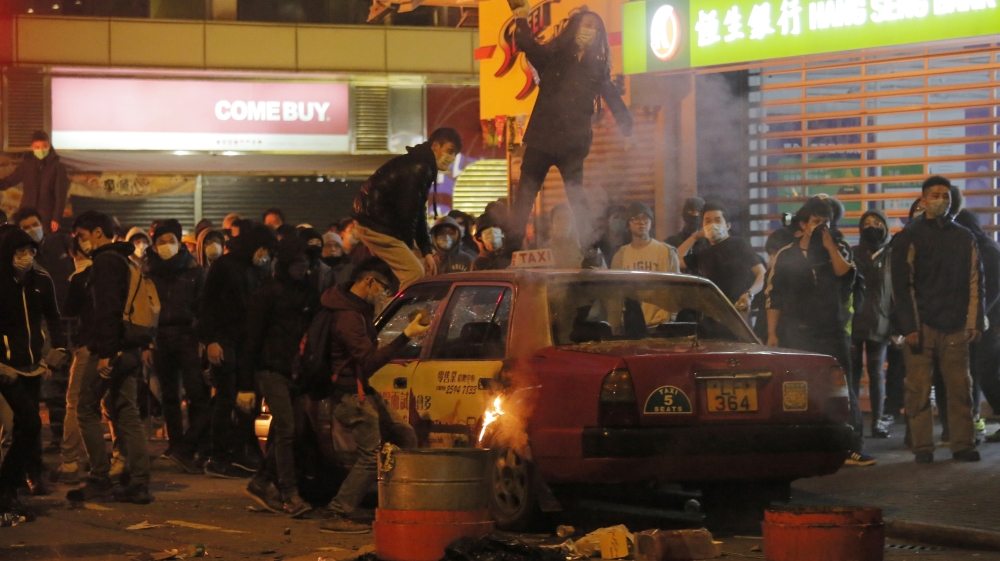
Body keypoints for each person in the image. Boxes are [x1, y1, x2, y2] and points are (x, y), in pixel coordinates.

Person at [505, 4, 633, 251]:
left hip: (573, 144)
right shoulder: (553, 57)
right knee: (525, 197)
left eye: (596, 28)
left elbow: (612, 97)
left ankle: (590, 250)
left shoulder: (597, 67)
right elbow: (526, 44)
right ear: (575, 28)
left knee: (577, 198)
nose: (591, 30)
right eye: (587, 25)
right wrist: (521, 17)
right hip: (541, 139)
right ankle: (510, 251)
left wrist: (627, 130)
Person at [318, 258, 429, 533]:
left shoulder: (358, 310)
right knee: (371, 456)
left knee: (404, 434)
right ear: (369, 281)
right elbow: (368, 361)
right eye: (382, 287)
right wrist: (405, 336)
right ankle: (337, 512)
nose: (383, 293)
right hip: (349, 394)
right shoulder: (348, 317)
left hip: (361, 389)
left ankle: (400, 502)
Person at [765, 197, 874, 467]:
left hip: (833, 330)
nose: (821, 227)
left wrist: (829, 247)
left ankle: (851, 446)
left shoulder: (839, 248)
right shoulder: (787, 254)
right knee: (801, 388)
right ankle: (806, 446)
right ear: (803, 224)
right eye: (816, 222)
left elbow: (846, 276)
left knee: (843, 388)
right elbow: (774, 297)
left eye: (826, 222)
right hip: (797, 332)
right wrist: (772, 334)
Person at [892, 177, 984, 462]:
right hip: (922, 326)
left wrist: (974, 321)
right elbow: (901, 285)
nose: (941, 200)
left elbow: (975, 280)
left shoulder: (964, 236)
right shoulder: (909, 235)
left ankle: (963, 444)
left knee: (960, 389)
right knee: (918, 390)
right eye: (935, 195)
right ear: (923, 200)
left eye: (946, 195)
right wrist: (909, 326)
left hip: (955, 325)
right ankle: (922, 447)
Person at [66, 210, 153, 504]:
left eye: (81, 235)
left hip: (109, 349)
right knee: (127, 412)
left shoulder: (104, 262)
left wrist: (105, 353)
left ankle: (99, 478)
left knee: (85, 408)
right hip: (129, 347)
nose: (80, 241)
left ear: (97, 232)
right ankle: (139, 482)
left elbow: (107, 309)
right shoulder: (126, 260)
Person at [240, 236, 318, 518]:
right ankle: (289, 494)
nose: (302, 266)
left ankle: (262, 481)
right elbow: (251, 340)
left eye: (305, 261)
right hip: (271, 369)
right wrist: (245, 386)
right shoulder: (267, 293)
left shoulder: (308, 291)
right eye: (297, 261)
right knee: (286, 428)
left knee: (294, 429)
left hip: (295, 371)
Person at [200, 222, 277, 478]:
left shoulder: (257, 269)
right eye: (263, 249)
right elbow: (207, 305)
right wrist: (211, 340)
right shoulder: (225, 266)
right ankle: (219, 457)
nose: (264, 255)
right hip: (225, 342)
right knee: (226, 399)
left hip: (247, 345)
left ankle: (242, 451)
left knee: (247, 400)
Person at [0, 228, 66, 516]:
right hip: (6, 367)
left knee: (25, 427)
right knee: (30, 423)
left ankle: (11, 489)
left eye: (30, 251)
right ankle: (6, 486)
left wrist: (57, 351)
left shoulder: (41, 280)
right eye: (20, 252)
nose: (26, 257)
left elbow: (53, 316)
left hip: (33, 366)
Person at [352, 128, 462, 289]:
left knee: (397, 276)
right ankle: (404, 306)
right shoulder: (419, 167)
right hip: (376, 225)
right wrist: (411, 249)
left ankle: (387, 302)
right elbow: (409, 213)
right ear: (435, 146)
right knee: (414, 273)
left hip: (374, 223)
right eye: (450, 151)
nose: (452, 157)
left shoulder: (420, 163)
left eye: (455, 153)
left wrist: (426, 251)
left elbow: (418, 211)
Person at [145, 219, 210, 473]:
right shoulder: (148, 272)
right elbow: (144, 310)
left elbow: (203, 308)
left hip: (188, 337)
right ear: (154, 245)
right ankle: (176, 447)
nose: (166, 245)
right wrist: (146, 343)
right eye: (161, 241)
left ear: (180, 242)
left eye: (171, 240)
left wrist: (202, 338)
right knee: (169, 397)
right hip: (160, 338)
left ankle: (190, 446)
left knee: (197, 394)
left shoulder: (195, 271)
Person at [15, 207, 75, 449]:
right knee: (43, 381)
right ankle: (37, 441)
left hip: (66, 322)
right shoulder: (19, 256)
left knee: (62, 381)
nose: (32, 230)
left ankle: (59, 435)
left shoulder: (60, 246)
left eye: (35, 224)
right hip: (38, 324)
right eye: (25, 227)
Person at [953, 210, 1000, 443]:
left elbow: (993, 290)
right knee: (973, 372)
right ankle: (973, 419)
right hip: (976, 322)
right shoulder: (975, 248)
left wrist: (977, 316)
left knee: (986, 373)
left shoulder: (988, 251)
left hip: (987, 324)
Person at [53, 237, 93, 485]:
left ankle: (70, 461)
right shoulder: (124, 268)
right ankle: (111, 460)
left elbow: (69, 309)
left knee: (75, 402)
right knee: (108, 405)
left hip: (88, 344)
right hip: (114, 346)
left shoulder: (80, 277)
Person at [850, 210, 893, 439]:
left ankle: (878, 421)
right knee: (853, 373)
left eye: (877, 222)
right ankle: (854, 421)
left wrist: (897, 325)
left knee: (876, 373)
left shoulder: (892, 254)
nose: (871, 227)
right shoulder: (852, 253)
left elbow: (898, 291)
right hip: (855, 321)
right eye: (866, 223)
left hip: (881, 320)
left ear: (885, 226)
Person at [679, 202, 765, 313]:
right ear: (703, 228)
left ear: (728, 226)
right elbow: (676, 259)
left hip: (737, 311)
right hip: (711, 313)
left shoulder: (739, 244)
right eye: (708, 221)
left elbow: (762, 273)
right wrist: (694, 237)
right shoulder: (705, 254)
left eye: (717, 220)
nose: (712, 225)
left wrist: (749, 294)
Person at [0, 131, 70, 232]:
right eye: (37, 147)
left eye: (44, 147)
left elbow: (61, 196)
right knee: (25, 237)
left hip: (46, 216)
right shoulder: (26, 165)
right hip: (26, 213)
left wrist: (56, 218)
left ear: (49, 146)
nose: (41, 150)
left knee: (44, 239)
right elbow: (9, 181)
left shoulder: (58, 167)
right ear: (32, 147)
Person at [610, 202, 679, 273]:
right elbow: (615, 280)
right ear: (628, 224)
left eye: (645, 218)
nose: (642, 222)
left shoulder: (667, 252)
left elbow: (675, 279)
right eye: (636, 219)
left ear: (651, 222)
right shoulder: (621, 255)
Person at [545, 204, 605, 269]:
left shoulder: (584, 251)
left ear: (573, 224)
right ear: (552, 224)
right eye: (558, 218)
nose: (563, 222)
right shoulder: (544, 250)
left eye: (567, 218)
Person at [666, 197, 710, 268]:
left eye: (699, 212)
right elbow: (670, 264)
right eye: (691, 212)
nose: (696, 215)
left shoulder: (710, 242)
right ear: (684, 214)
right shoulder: (671, 242)